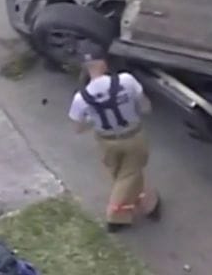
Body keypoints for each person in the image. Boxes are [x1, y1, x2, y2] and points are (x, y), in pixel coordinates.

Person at [68, 42, 160, 232]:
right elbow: (146, 107)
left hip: (106, 141)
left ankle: (147, 203)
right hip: (133, 136)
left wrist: (95, 119)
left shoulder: (81, 98)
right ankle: (116, 216)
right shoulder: (126, 81)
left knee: (122, 173)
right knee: (128, 176)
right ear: (103, 62)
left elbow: (78, 128)